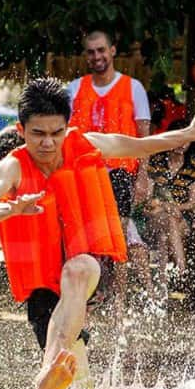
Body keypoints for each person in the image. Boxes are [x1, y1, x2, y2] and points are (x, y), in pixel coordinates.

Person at [0, 77, 195, 389]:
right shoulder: (12, 166)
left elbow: (139, 145)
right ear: (21, 129)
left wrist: (190, 133)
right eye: (38, 134)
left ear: (67, 126)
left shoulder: (87, 143)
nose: (48, 143)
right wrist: (10, 207)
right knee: (74, 355)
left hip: (87, 263)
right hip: (43, 282)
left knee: (77, 269)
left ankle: (48, 377)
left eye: (56, 133)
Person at [67, 30, 151, 320]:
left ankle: (118, 306)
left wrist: (143, 177)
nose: (96, 56)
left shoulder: (133, 87)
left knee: (119, 240)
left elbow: (144, 137)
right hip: (81, 176)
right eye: (90, 52)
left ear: (113, 51)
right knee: (81, 239)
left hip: (119, 174)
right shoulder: (74, 89)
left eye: (101, 50)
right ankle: (84, 301)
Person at [142, 138, 195, 276]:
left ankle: (162, 283)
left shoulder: (193, 167)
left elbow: (191, 203)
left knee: (164, 235)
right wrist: (166, 206)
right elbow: (148, 198)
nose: (182, 144)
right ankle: (182, 270)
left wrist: (174, 208)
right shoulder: (157, 163)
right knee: (169, 223)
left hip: (182, 217)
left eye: (186, 141)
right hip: (156, 215)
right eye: (178, 139)